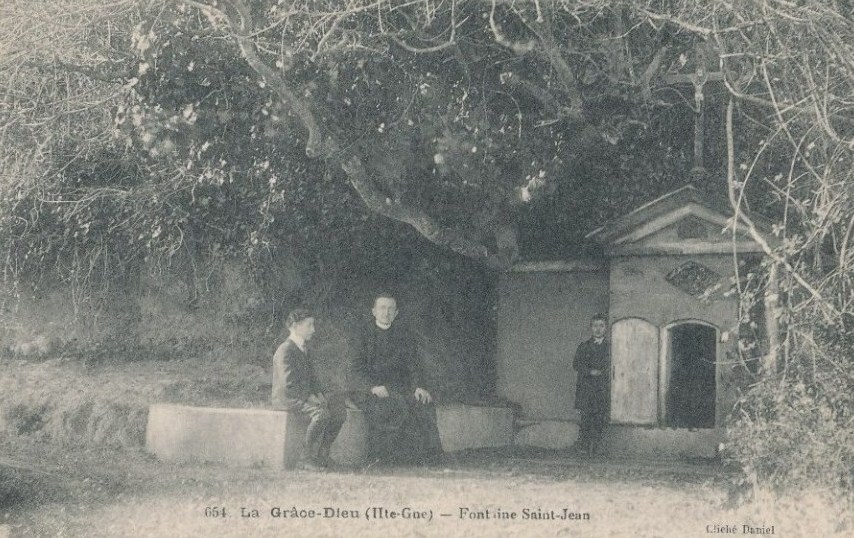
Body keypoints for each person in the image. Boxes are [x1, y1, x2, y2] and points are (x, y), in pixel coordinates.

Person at [350, 292, 443, 465]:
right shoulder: (363, 335)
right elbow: (355, 369)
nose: (386, 312)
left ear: (396, 312)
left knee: (424, 403)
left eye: (391, 308)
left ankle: (430, 459)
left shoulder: (404, 335)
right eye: (382, 308)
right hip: (370, 390)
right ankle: (382, 459)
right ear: (374, 311)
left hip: (399, 388)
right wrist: (372, 387)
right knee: (392, 405)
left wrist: (419, 387)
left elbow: (414, 365)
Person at [272, 308, 346, 471]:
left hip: (302, 396)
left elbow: (313, 379)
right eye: (309, 325)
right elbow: (288, 384)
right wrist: (309, 398)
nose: (313, 329)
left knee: (339, 411)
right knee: (321, 414)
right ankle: (304, 458)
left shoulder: (305, 349)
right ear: (295, 326)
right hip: (287, 398)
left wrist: (320, 394)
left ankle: (323, 455)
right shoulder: (285, 350)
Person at [572, 313, 610, 457]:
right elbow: (576, 364)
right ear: (591, 328)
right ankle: (585, 448)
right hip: (587, 389)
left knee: (600, 418)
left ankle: (597, 449)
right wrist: (590, 371)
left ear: (605, 328)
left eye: (601, 326)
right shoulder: (584, 346)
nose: (598, 329)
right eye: (595, 326)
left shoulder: (610, 347)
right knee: (586, 418)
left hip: (602, 389)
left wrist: (603, 373)